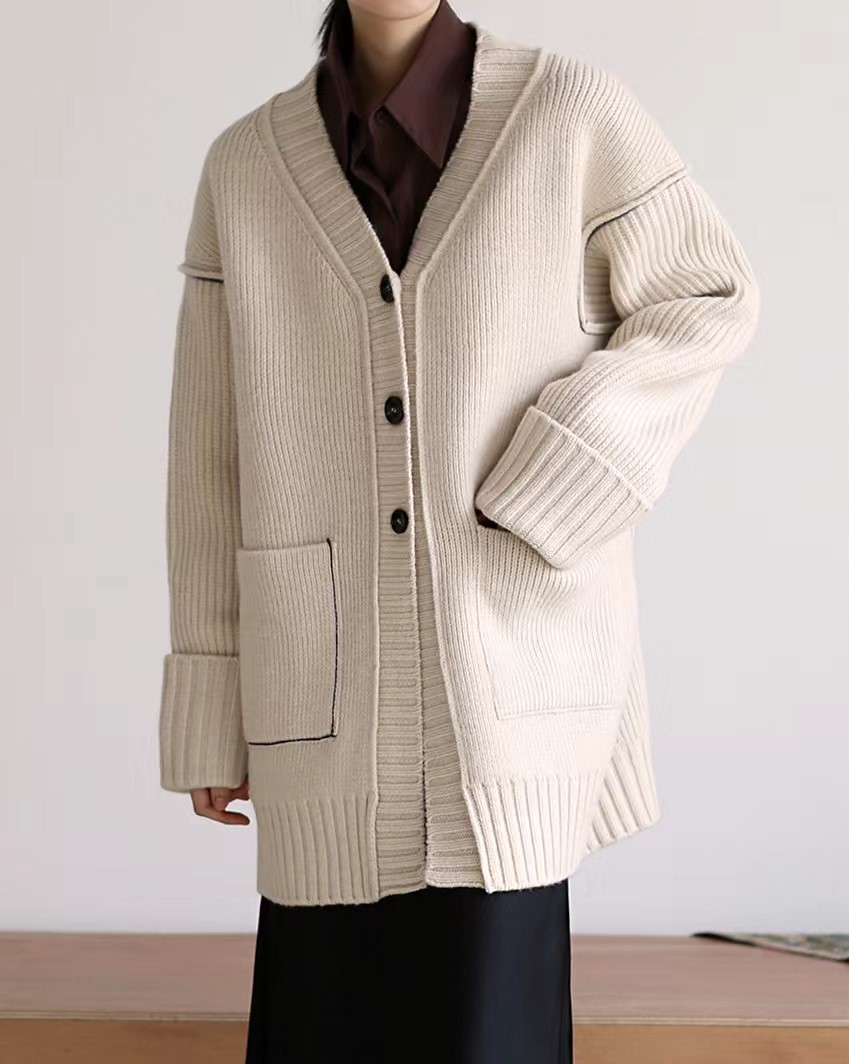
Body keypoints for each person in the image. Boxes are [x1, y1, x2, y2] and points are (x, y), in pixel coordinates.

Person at [157, 2, 760, 1061]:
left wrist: (563, 470)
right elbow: (211, 455)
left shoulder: (569, 113)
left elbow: (709, 293)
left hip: (510, 686)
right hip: (323, 704)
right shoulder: (247, 168)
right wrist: (212, 702)